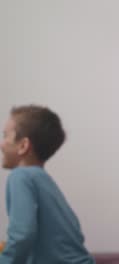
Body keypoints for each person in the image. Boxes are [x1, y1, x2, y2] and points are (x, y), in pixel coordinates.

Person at [0, 105, 95, 263]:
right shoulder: (44, 181)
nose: (1, 144)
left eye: (5, 136)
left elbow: (22, 234)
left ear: (23, 146)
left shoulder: (19, 176)